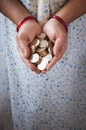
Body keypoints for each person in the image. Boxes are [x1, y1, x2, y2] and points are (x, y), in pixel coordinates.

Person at [0, 0, 86, 130]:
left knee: (71, 98)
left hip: (73, 23)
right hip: (16, 22)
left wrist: (60, 20)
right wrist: (23, 21)